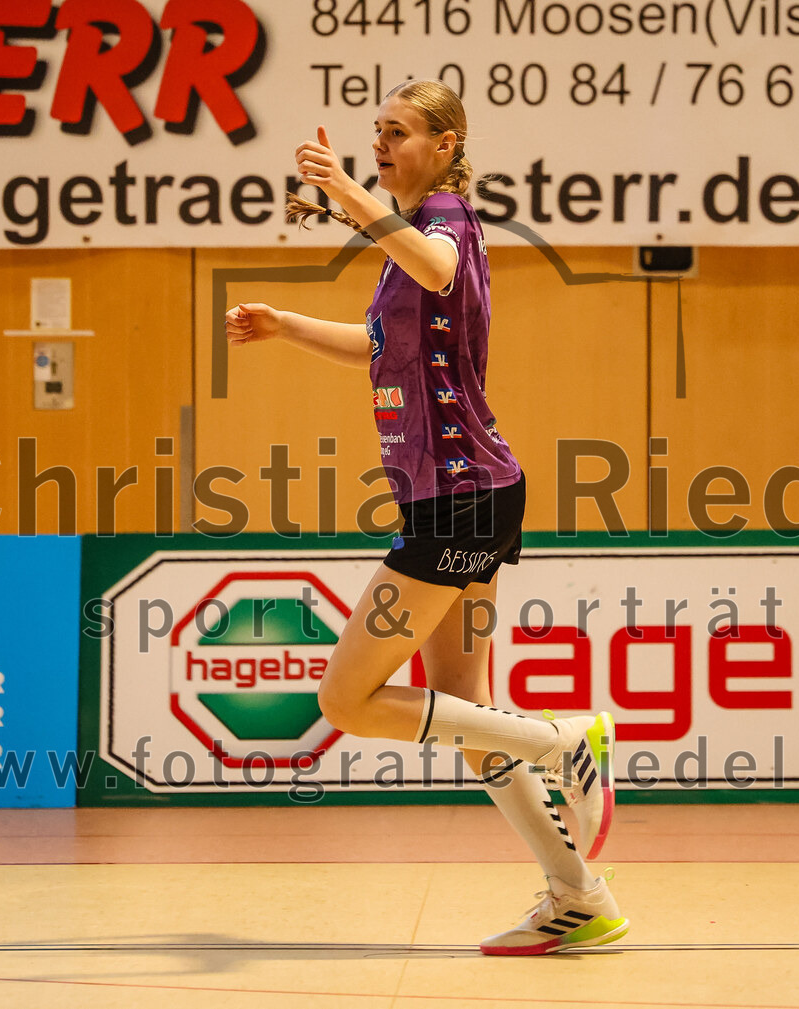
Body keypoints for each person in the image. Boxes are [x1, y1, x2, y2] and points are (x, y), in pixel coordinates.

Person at [225, 79, 628, 956]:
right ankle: (579, 895)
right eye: (377, 131)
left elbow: (437, 264)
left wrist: (344, 192)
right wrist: (286, 324)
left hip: (458, 500)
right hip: (466, 495)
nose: (381, 143)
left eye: (399, 132)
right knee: (465, 710)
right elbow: (378, 347)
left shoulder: (446, 223)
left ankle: (563, 739)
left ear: (446, 146)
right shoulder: (404, 245)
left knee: (347, 696)